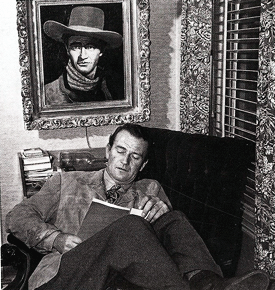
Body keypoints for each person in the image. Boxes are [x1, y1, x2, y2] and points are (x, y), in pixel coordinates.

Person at [6, 124, 270, 290]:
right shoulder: (66, 181)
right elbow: (16, 217)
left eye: (135, 156)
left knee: (174, 218)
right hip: (66, 276)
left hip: (120, 281)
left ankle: (209, 284)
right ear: (108, 151)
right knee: (131, 225)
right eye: (120, 151)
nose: (125, 161)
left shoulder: (150, 189)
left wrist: (162, 211)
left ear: (142, 165)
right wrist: (56, 238)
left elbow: (165, 254)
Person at [43, 6, 124, 105]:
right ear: (67, 49)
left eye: (90, 47)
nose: (83, 55)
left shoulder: (114, 90)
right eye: (76, 47)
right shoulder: (47, 94)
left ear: (101, 50)